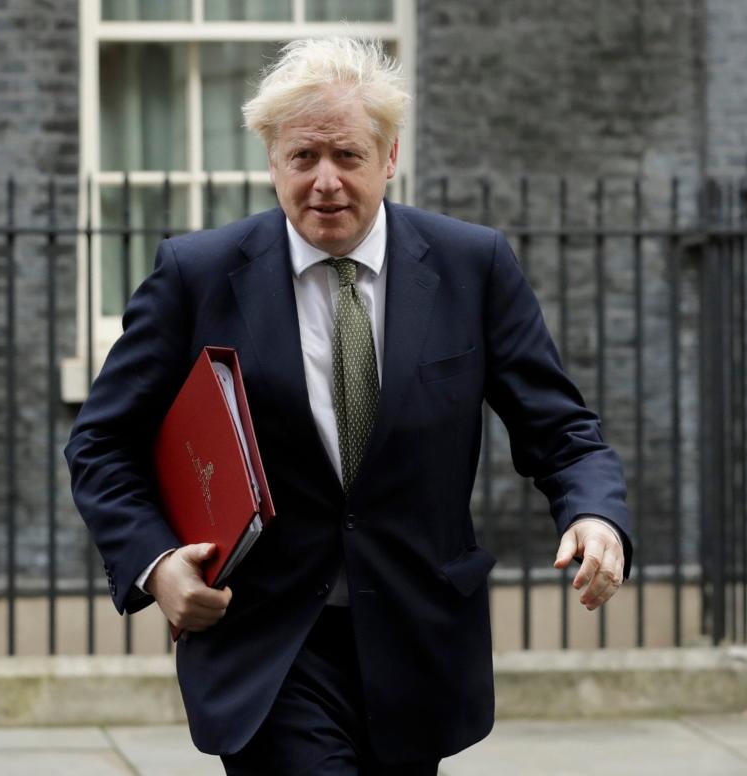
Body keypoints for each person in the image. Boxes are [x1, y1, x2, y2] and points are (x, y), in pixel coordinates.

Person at [65, 37, 632, 775]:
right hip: (270, 645)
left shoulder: (472, 266)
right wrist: (158, 562)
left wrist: (594, 514)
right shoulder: (196, 276)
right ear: (273, 163)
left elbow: (562, 430)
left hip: (415, 641)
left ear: (389, 158)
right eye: (303, 158)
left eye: (348, 156)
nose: (325, 181)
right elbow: (101, 443)